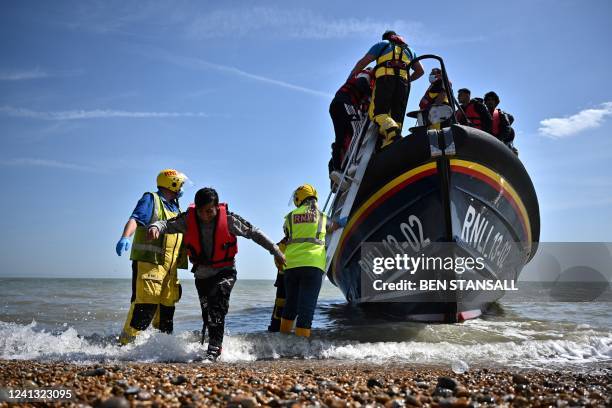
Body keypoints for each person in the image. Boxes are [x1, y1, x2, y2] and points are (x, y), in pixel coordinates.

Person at [148, 187, 285, 361]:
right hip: (202, 276)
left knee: (216, 306)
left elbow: (253, 232)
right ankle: (209, 345)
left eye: (210, 211)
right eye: (201, 212)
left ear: (216, 207)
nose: (206, 216)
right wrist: (155, 227)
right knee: (208, 315)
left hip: (225, 271)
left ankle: (214, 349)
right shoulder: (188, 220)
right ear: (196, 209)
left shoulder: (228, 219)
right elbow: (167, 224)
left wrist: (275, 250)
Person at [116, 169, 188, 345]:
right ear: (173, 183)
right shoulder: (151, 199)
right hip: (150, 264)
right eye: (181, 184)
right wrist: (125, 237)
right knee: (144, 306)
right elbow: (135, 218)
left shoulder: (176, 207)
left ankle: (161, 348)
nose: (182, 188)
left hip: (170, 270)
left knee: (167, 310)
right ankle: (125, 347)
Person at [279, 184, 345, 338]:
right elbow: (332, 226)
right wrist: (341, 223)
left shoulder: (289, 217)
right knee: (306, 308)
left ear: (299, 198)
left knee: (290, 306)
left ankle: (282, 340)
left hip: (292, 265)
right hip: (313, 265)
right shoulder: (321, 217)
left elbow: (287, 233)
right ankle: (301, 346)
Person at [348, 30, 424, 148]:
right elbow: (420, 71)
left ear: (386, 38)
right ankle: (389, 143)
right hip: (403, 84)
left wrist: (352, 75)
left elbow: (364, 62)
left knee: (377, 113)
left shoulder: (382, 44)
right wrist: (407, 80)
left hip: (385, 79)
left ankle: (392, 131)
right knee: (397, 116)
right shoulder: (409, 50)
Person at [329, 68, 374, 176]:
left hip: (335, 105)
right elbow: (361, 83)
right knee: (357, 130)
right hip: (345, 102)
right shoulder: (368, 73)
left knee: (341, 137)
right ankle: (353, 163)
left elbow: (363, 108)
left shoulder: (359, 79)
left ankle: (337, 169)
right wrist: (372, 96)